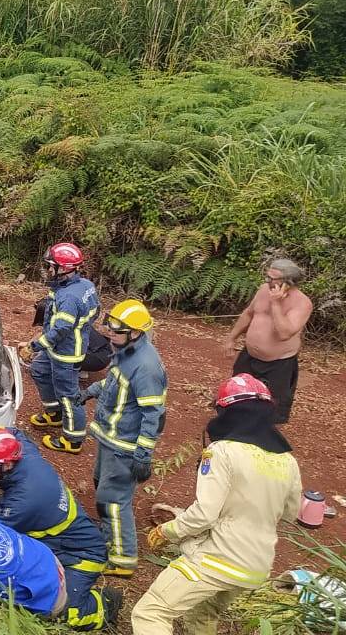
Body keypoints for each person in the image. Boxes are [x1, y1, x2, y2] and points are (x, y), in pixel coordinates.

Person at [131, 374, 302, 635]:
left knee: (151, 613)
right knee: (203, 614)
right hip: (256, 567)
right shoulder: (287, 461)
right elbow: (291, 514)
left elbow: (205, 515)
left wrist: (167, 531)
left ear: (227, 412)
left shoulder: (223, 451)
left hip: (216, 560)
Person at [0, 421, 120, 630]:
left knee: (62, 613)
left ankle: (105, 604)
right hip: (61, 536)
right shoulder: (22, 452)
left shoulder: (24, 500)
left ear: (7, 465)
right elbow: (14, 432)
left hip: (81, 555)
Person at [80, 299, 167, 577]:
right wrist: (91, 391)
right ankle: (110, 535)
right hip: (109, 438)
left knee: (114, 500)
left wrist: (143, 454)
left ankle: (123, 558)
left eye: (117, 332)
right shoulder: (126, 352)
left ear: (136, 332)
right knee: (102, 489)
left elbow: (152, 414)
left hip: (125, 447)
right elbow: (115, 383)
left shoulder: (147, 367)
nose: (110, 336)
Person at [26, 243, 100, 451]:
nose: (49, 270)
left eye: (52, 266)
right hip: (59, 347)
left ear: (65, 269)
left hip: (66, 352)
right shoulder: (84, 285)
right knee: (39, 370)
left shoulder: (68, 297)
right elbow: (96, 310)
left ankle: (73, 440)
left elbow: (61, 330)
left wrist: (35, 345)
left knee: (69, 395)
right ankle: (55, 414)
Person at [224, 258, 312, 424]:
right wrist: (231, 338)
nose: (267, 281)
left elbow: (284, 333)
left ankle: (262, 440)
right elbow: (248, 313)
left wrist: (276, 304)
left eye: (273, 279)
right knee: (237, 396)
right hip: (249, 357)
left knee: (271, 410)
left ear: (289, 282)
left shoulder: (303, 303)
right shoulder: (264, 289)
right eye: (267, 276)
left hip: (278, 364)